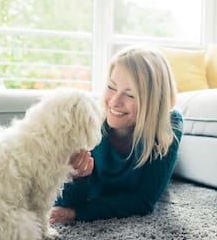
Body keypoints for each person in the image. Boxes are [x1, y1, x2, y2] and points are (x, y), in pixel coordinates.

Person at [49, 46, 183, 224]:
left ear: (153, 103)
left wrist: (77, 213)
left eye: (130, 95)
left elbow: (144, 200)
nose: (114, 101)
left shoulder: (169, 125)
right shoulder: (90, 120)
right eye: (111, 87)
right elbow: (64, 202)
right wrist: (78, 178)